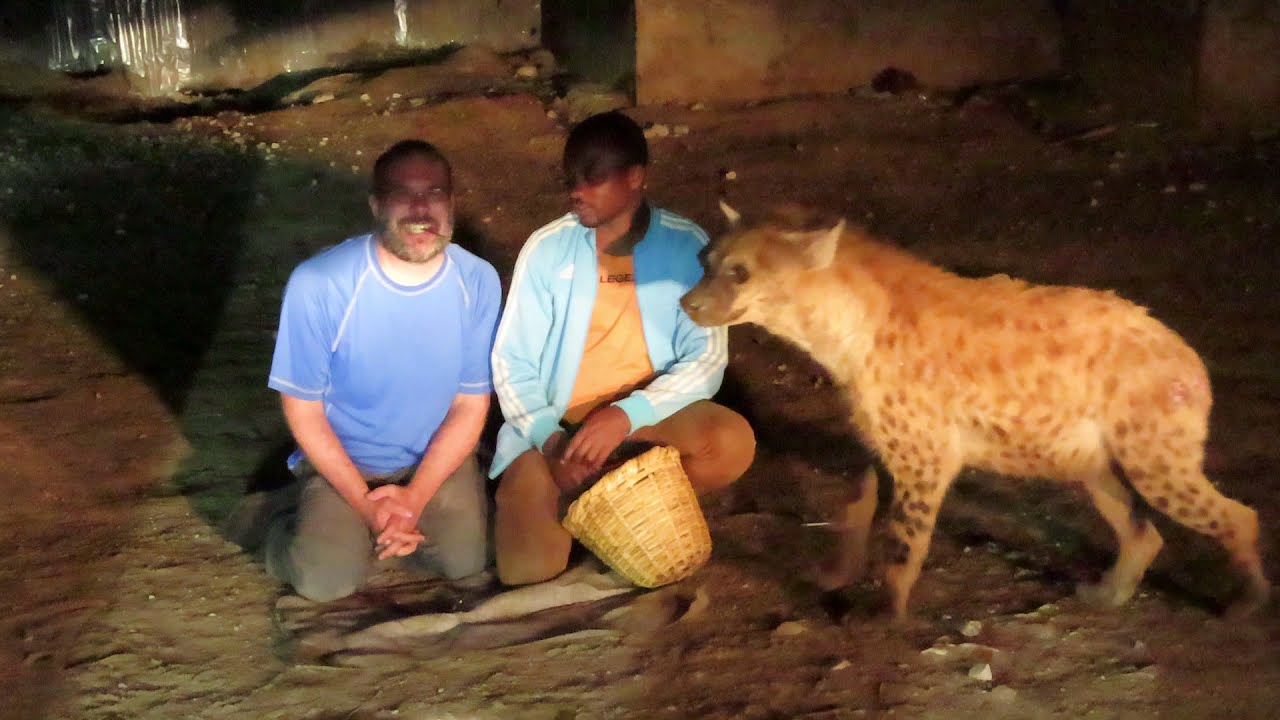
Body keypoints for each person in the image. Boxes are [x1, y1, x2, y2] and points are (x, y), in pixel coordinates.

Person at [490, 111, 757, 585]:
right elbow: (511, 362)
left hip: (643, 424)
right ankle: (591, 512)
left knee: (730, 443)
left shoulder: (686, 247)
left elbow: (707, 359)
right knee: (528, 571)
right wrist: (552, 442)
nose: (577, 191)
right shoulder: (548, 249)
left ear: (636, 178)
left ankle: (635, 504)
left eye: (594, 178)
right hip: (559, 431)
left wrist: (626, 415)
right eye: (572, 179)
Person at [259, 139, 500, 602]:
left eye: (433, 194)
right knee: (324, 581)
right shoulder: (321, 284)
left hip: (430, 459)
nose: (420, 209)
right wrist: (367, 505)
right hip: (344, 460)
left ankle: (382, 531)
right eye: (402, 195)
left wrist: (412, 498)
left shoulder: (477, 282)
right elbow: (303, 412)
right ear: (375, 205)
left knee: (467, 562)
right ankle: (274, 519)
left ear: (451, 203)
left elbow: (470, 404)